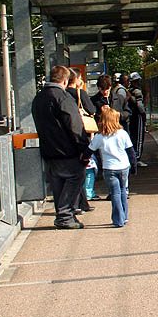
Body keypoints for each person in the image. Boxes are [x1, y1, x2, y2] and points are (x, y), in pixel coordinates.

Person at [31, 65, 91, 229]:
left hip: (48, 150)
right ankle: (65, 216)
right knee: (75, 178)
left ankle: (64, 216)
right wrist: (85, 148)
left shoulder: (39, 98)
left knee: (58, 183)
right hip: (67, 150)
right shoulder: (62, 98)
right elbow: (74, 125)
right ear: (65, 80)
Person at [89, 106, 136, 228]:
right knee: (123, 191)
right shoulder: (123, 134)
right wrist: (134, 166)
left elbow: (89, 150)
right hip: (124, 167)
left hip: (109, 169)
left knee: (115, 193)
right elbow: (131, 152)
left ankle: (118, 219)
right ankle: (124, 217)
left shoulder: (99, 137)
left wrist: (83, 159)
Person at [65, 68, 94, 212]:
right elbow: (91, 110)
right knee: (81, 171)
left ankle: (82, 203)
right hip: (81, 134)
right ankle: (77, 204)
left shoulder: (62, 94)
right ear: (76, 79)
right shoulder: (80, 93)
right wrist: (81, 89)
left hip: (67, 137)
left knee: (75, 170)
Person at [128, 72, 148, 167]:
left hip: (132, 116)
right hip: (138, 116)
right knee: (139, 138)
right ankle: (137, 157)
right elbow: (139, 105)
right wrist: (143, 114)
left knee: (133, 136)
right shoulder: (137, 92)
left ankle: (133, 156)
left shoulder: (129, 91)